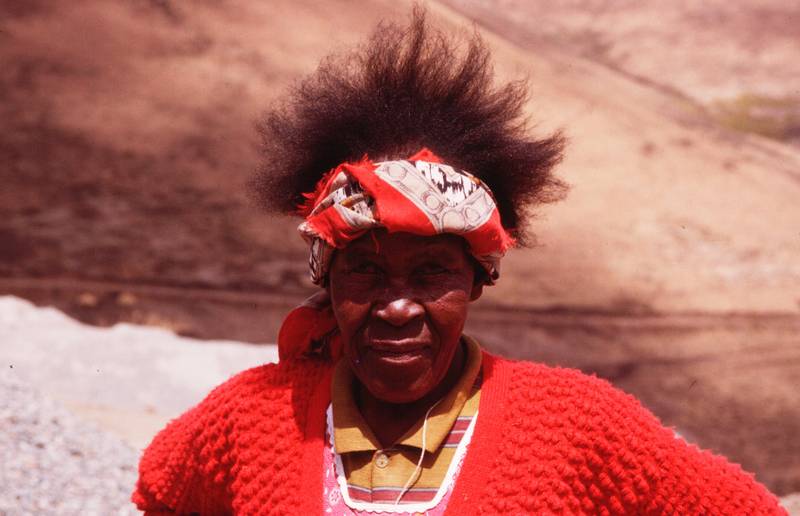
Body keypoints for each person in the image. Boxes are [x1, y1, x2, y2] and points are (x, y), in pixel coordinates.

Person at [132, 10, 785, 515]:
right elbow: (162, 494)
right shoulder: (251, 418)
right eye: (365, 271)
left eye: (431, 273)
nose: (396, 307)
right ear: (325, 277)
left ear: (478, 277)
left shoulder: (575, 424)